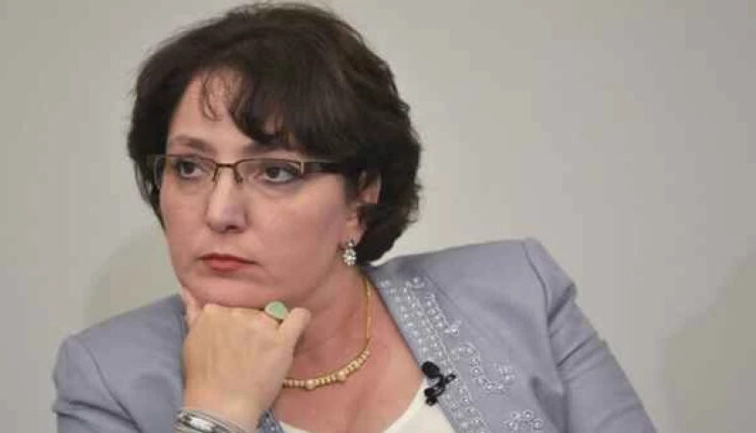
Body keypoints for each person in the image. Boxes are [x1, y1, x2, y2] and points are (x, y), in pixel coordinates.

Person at [52, 3, 656, 433]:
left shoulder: (518, 293)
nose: (219, 211)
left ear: (361, 194)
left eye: (276, 171)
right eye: (189, 166)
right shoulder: (109, 377)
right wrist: (217, 415)